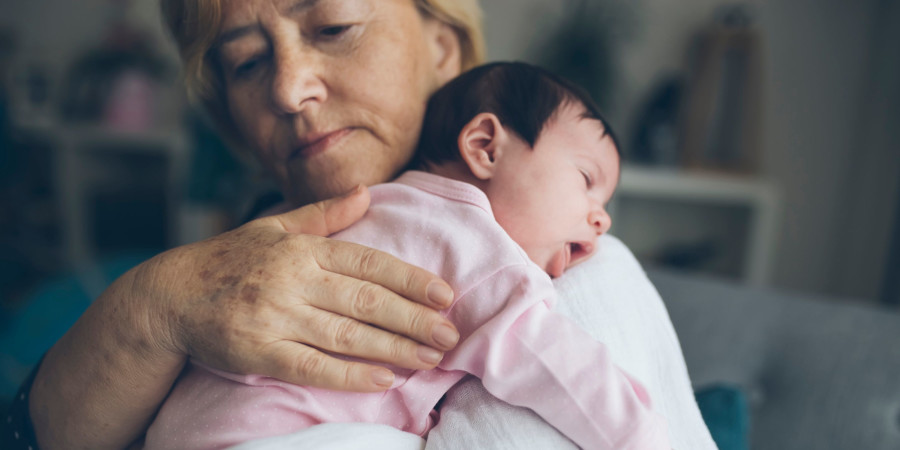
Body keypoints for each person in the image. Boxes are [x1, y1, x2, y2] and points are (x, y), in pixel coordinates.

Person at [3, 1, 714, 449]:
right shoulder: (222, 262)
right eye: (246, 62)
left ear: (442, 43)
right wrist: (154, 306)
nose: (288, 88)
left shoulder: (573, 258)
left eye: (334, 27)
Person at [144, 62, 670, 450]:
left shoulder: (375, 207)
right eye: (586, 182)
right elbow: (560, 366)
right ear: (485, 146)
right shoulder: (475, 245)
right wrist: (643, 438)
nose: (601, 220)